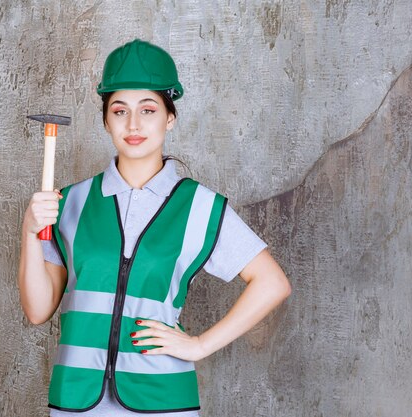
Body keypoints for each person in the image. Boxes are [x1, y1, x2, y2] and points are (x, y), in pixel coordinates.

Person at [18, 39, 291, 416]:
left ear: (169, 117)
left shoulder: (200, 206)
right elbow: (37, 310)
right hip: (76, 400)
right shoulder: (69, 203)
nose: (133, 124)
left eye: (148, 109)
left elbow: (272, 282)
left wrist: (198, 345)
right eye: (119, 110)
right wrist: (30, 233)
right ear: (105, 120)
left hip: (163, 401)